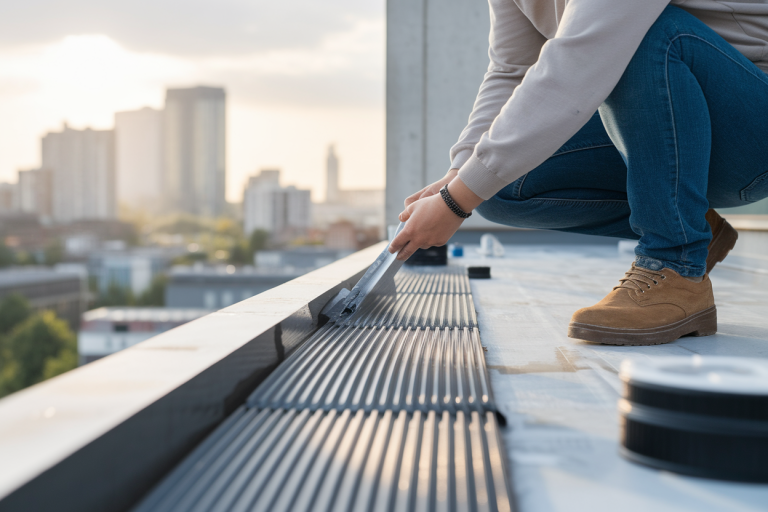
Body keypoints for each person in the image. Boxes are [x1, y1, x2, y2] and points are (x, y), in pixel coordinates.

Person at [389, 0, 768, 346]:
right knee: (501, 186)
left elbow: (582, 58)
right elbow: (512, 71)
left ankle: (675, 261)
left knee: (643, 36)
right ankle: (692, 225)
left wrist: (455, 203)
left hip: (751, 132)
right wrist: (460, 174)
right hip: (678, 119)